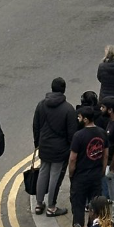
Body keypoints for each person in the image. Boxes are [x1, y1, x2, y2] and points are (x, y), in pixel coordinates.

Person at [33, 77, 79, 217]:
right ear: (64, 89)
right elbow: (72, 133)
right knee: (54, 176)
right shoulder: (68, 109)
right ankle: (51, 207)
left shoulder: (41, 105)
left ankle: (39, 203)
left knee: (43, 172)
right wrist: (72, 149)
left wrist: (37, 143)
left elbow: (36, 126)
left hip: (45, 145)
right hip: (60, 149)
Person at [67, 107, 108, 227]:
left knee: (78, 208)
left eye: (79, 117)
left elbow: (73, 158)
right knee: (95, 207)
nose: (77, 120)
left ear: (85, 119)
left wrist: (71, 174)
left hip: (81, 177)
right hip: (96, 176)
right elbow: (105, 154)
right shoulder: (102, 132)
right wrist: (101, 171)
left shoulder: (78, 136)